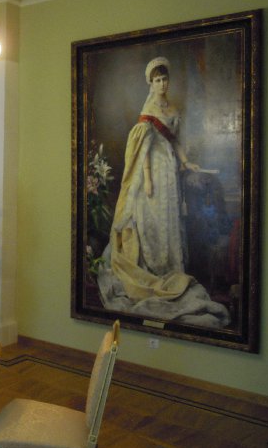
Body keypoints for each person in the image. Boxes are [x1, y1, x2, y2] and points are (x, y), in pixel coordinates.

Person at [97, 57, 230, 327]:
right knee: (154, 216)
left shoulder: (172, 108)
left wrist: (186, 162)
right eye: (157, 80)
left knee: (169, 216)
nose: (162, 84)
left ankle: (171, 267)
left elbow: (176, 140)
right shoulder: (148, 109)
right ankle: (154, 266)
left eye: (164, 79)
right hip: (154, 169)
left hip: (169, 168)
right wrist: (147, 179)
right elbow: (145, 149)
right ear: (151, 83)